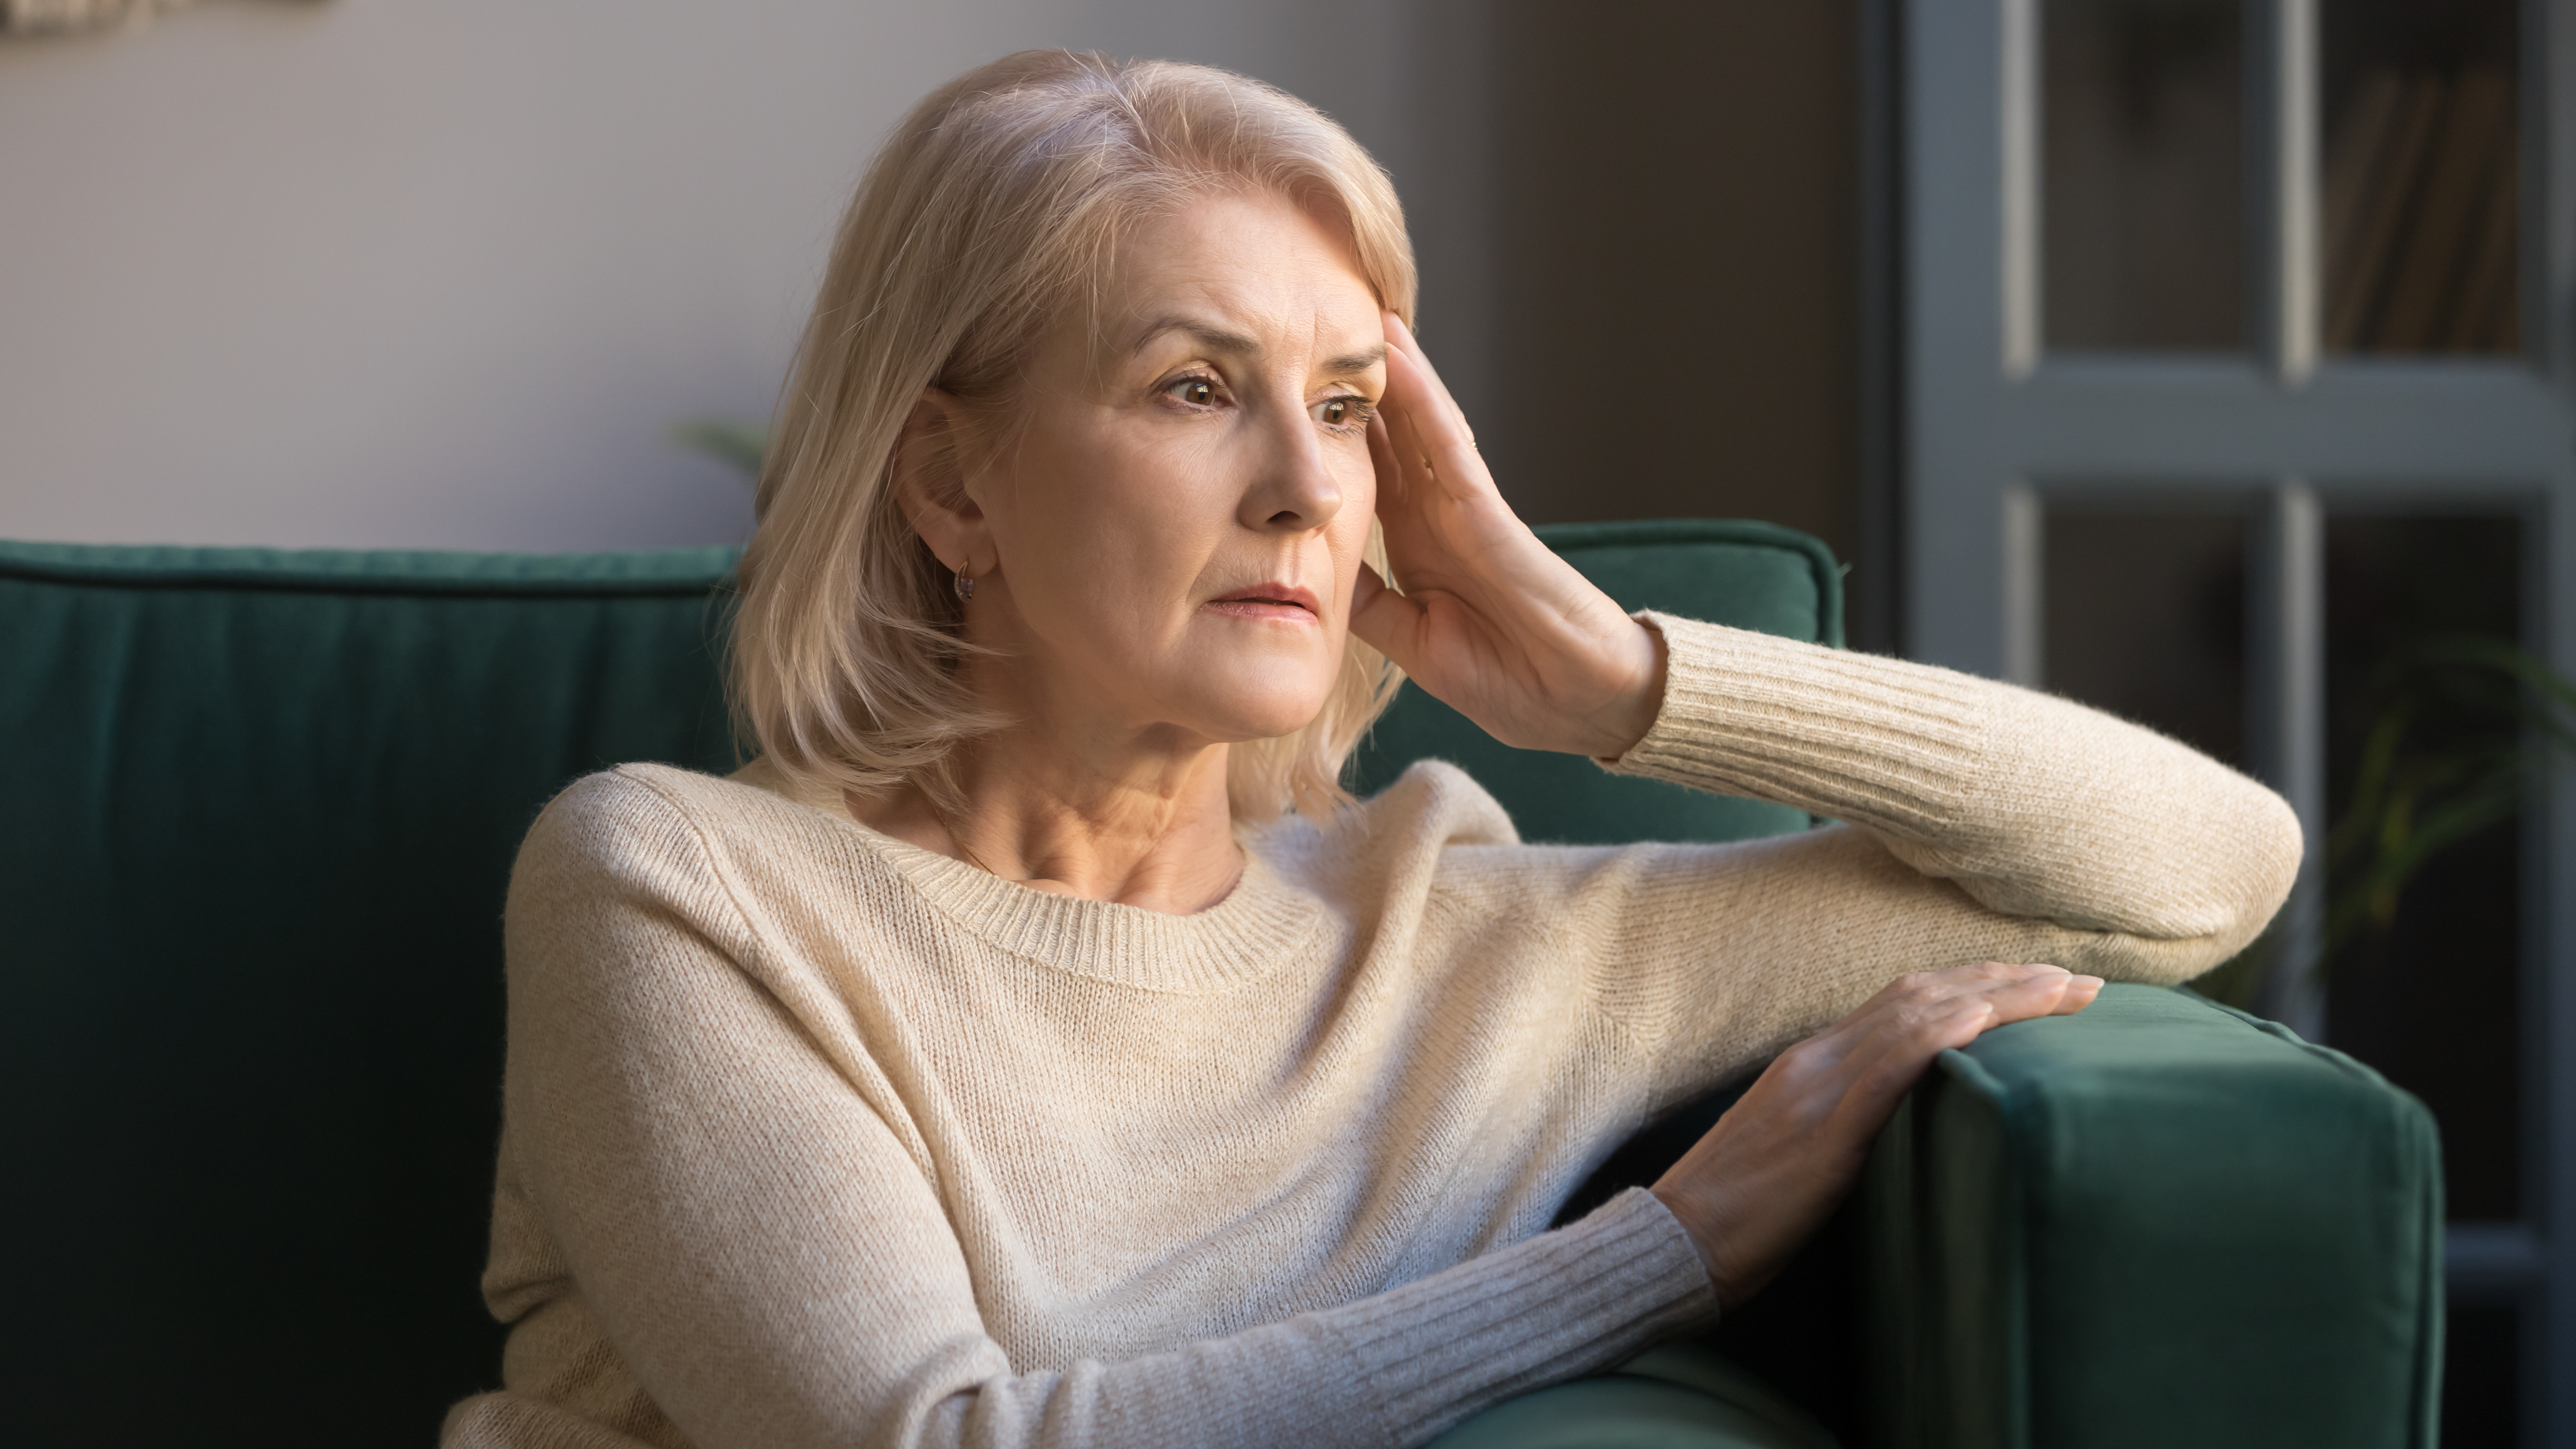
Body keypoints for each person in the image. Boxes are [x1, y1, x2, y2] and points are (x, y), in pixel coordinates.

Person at [441, 49, 2300, 1449]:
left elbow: (2209, 862)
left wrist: (1621, 678)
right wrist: (1666, 1248)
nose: (1309, 485)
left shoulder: (1451, 927)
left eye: (1344, 403)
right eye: (1196, 388)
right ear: (948, 481)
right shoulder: (678, 887)